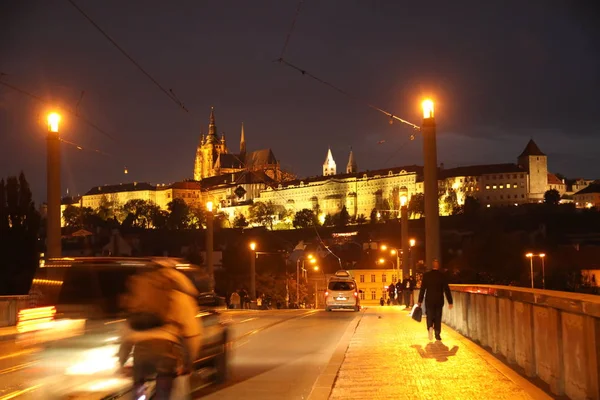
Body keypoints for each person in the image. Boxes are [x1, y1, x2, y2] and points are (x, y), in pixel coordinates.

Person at [119, 267, 202, 399]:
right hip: (166, 351)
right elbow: (192, 336)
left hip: (140, 351)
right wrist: (188, 363)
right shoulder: (182, 299)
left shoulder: (140, 299)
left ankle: (139, 396)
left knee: (139, 385)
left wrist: (122, 362)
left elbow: (127, 334)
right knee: (164, 386)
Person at [418, 259, 453, 341]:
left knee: (429, 315)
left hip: (429, 300)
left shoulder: (426, 275)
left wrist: (420, 300)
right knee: (438, 317)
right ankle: (437, 334)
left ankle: (430, 327)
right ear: (438, 266)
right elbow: (446, 289)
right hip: (439, 300)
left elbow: (422, 289)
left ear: (432, 265)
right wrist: (450, 301)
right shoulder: (442, 276)